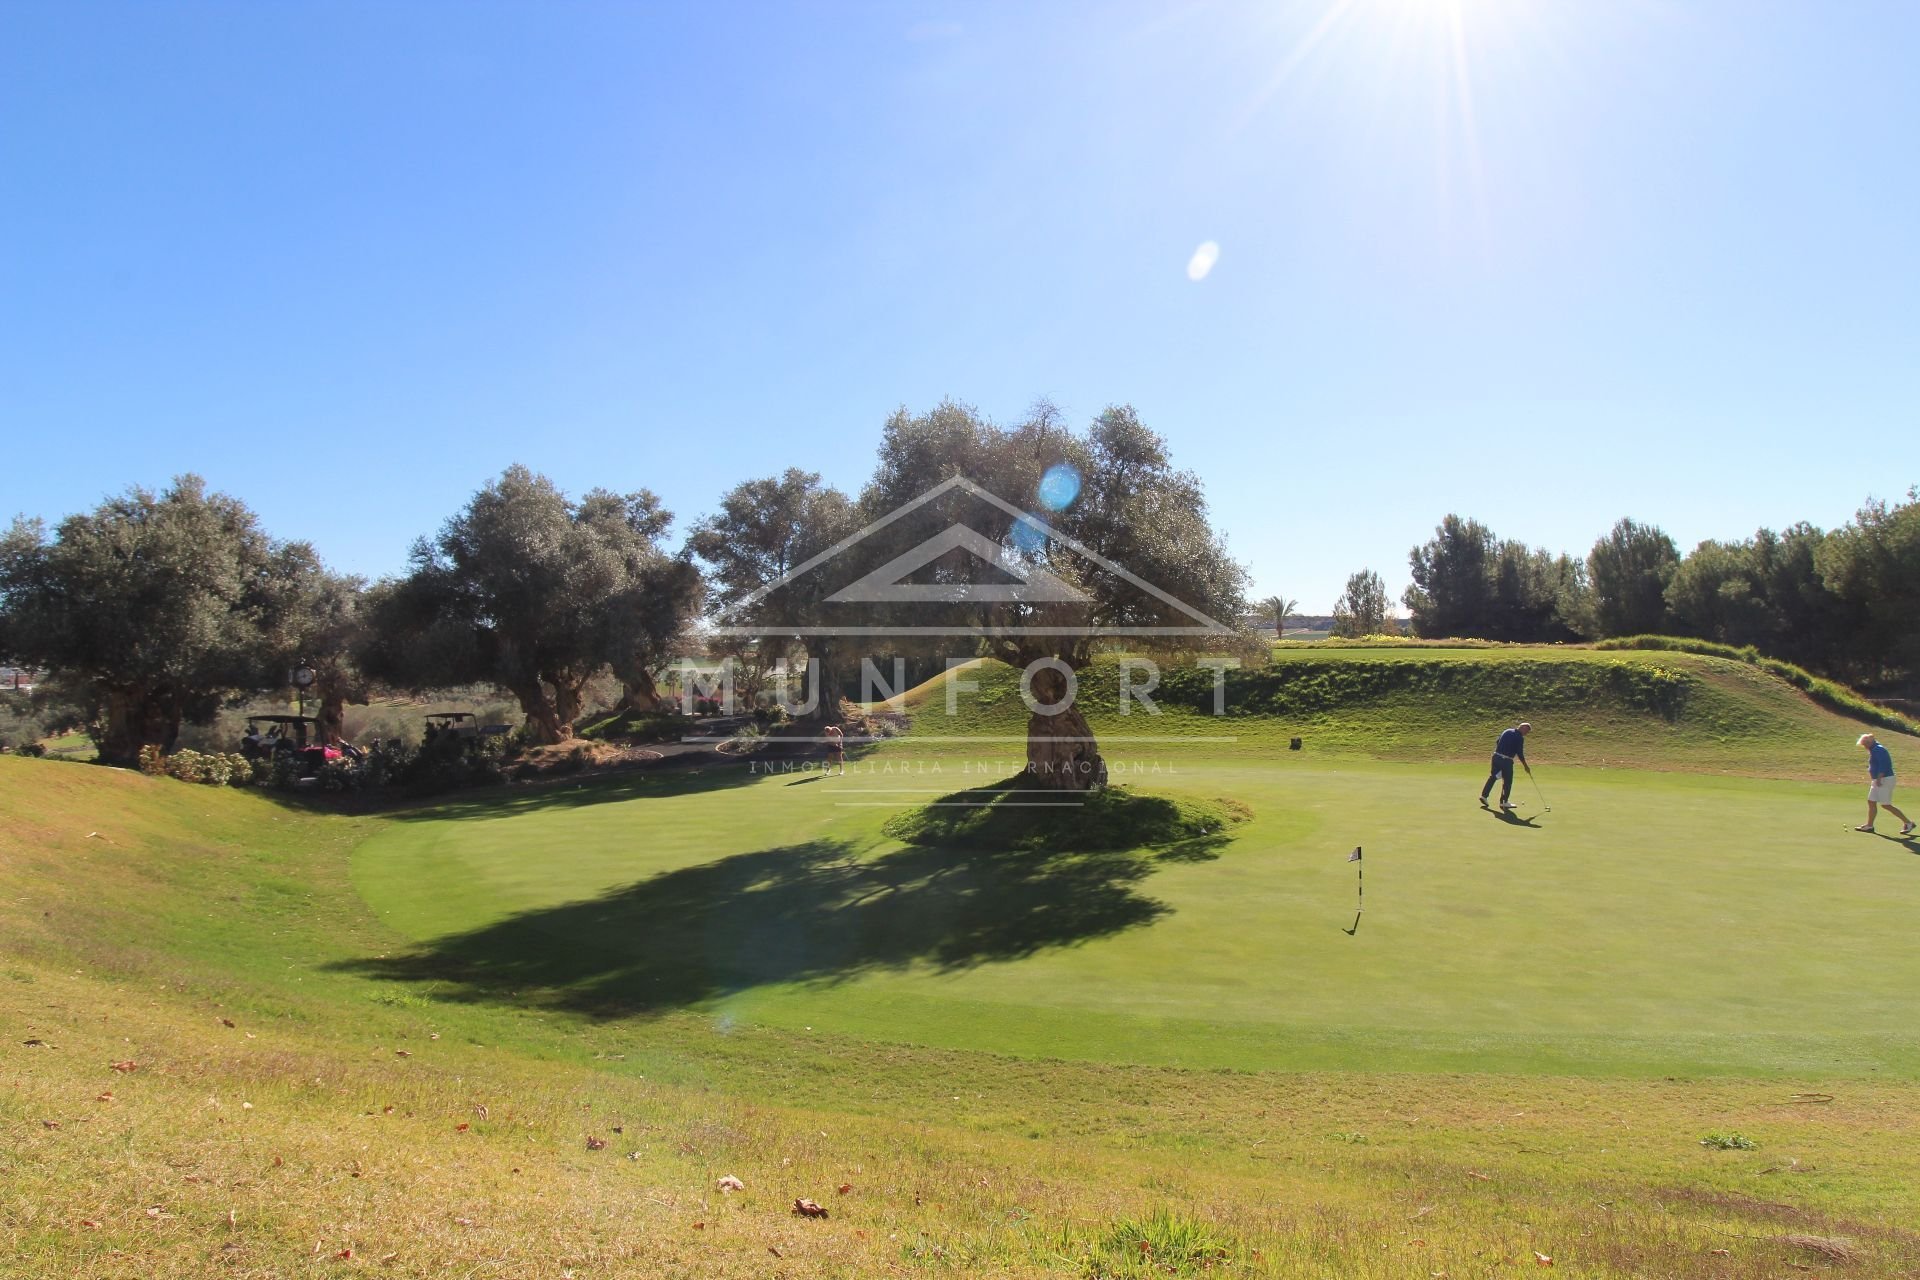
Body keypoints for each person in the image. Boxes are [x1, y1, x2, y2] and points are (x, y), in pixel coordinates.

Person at [1856, 733, 1915, 835]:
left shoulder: (1879, 750)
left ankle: (1908, 823)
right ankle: (1869, 825)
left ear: (1869, 743)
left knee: (1886, 805)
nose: (1864, 747)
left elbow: (1884, 765)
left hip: (1884, 779)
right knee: (1871, 801)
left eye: (1865, 745)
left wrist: (1879, 778)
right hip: (1878, 780)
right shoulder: (1874, 749)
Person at [1479, 721, 1532, 811]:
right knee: (1507, 781)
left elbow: (1497, 741)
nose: (1526, 734)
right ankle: (1504, 802)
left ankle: (1484, 796)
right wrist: (1525, 766)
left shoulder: (1507, 731)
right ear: (1523, 728)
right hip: (1506, 760)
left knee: (1493, 777)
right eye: (1526, 732)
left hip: (1496, 756)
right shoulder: (1519, 737)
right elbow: (1520, 753)